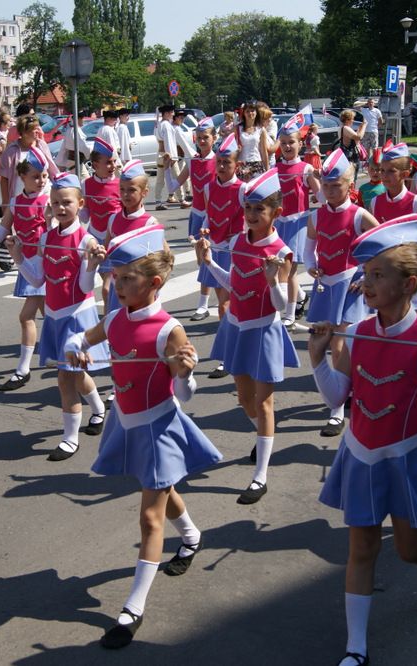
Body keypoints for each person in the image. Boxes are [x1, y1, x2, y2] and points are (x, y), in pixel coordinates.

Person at [309, 217, 417, 666]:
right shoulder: (356, 332)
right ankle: (356, 650)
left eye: (378, 274)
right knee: (362, 549)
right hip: (361, 455)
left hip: (405, 458)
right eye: (365, 274)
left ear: (408, 283)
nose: (366, 283)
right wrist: (318, 359)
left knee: (407, 548)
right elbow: (339, 397)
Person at [64, 226, 222, 650]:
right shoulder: (115, 317)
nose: (116, 285)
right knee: (160, 489)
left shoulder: (169, 330)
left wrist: (184, 372)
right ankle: (191, 535)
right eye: (114, 277)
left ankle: (132, 607)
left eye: (126, 279)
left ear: (153, 283)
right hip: (126, 420)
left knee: (150, 516)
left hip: (159, 427)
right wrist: (76, 347)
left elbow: (185, 393)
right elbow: (81, 337)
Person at [195, 169, 299, 504]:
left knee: (264, 402)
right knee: (243, 398)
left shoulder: (281, 251)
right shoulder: (239, 241)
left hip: (262, 331)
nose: (252, 215)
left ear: (276, 213)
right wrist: (210, 263)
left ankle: (260, 475)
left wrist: (272, 280)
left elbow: (282, 305)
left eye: (260, 209)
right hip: (236, 327)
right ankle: (263, 433)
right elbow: (233, 284)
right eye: (249, 208)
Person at [0, 173, 109, 461]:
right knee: (75, 376)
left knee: (65, 379)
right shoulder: (47, 237)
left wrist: (91, 264)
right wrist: (19, 256)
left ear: (80, 204)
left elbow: (82, 288)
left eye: (66, 202)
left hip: (76, 317)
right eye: (55, 202)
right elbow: (38, 278)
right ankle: (99, 409)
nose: (60, 207)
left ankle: (70, 438)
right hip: (55, 318)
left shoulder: (86, 239)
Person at [304, 149, 378, 437]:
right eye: (326, 185)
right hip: (326, 285)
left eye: (337, 186)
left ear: (350, 185)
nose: (331, 191)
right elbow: (309, 248)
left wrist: (368, 275)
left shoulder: (359, 215)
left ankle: (337, 408)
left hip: (351, 285)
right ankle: (343, 398)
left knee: (341, 344)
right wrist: (312, 266)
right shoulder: (316, 216)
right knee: (328, 340)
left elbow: (382, 248)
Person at [0, 148, 50, 392]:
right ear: (22, 178)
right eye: (35, 177)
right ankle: (62, 356)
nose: (41, 181)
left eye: (43, 176)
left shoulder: (49, 201)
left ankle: (23, 369)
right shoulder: (17, 202)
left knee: (26, 316)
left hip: (44, 265)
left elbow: (54, 236)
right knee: (50, 317)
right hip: (26, 263)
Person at [196, 134, 245, 380]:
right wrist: (205, 228)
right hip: (214, 247)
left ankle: (229, 354)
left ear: (237, 165)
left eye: (228, 162)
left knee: (228, 304)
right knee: (223, 305)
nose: (223, 166)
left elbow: (248, 221)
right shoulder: (208, 187)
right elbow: (208, 214)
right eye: (220, 162)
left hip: (232, 249)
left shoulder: (242, 189)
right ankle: (231, 350)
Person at [275, 122, 321, 328]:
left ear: (300, 144)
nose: (286, 146)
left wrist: (325, 182)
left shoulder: (306, 168)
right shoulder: (275, 168)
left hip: (298, 222)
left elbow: (320, 195)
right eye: (283, 143)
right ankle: (301, 296)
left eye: (291, 142)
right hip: (278, 223)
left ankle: (290, 313)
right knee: (278, 268)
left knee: (290, 269)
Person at [103, 160, 163, 314]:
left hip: (140, 290)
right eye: (122, 189)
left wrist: (152, 290)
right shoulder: (113, 220)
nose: (125, 194)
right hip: (118, 287)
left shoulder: (150, 223)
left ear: (144, 192)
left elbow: (162, 260)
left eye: (131, 190)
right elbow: (107, 250)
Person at [173, 117, 217, 320]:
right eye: (198, 138)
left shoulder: (219, 161)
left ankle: (204, 304)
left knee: (209, 259)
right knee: (202, 261)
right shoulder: (192, 161)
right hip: (197, 214)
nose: (201, 141)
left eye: (205, 137)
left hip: (214, 216)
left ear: (214, 138)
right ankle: (208, 301)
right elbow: (178, 181)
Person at [81, 137, 122, 310]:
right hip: (94, 240)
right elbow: (85, 216)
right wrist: (74, 206)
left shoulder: (121, 184)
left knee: (107, 288)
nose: (113, 166)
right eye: (108, 163)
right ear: (95, 165)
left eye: (113, 161)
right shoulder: (86, 185)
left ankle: (109, 321)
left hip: (113, 241)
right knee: (85, 282)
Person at [369, 143, 417, 227]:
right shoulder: (375, 202)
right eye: (382, 170)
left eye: (391, 171)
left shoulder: (415, 202)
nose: (384, 175)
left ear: (405, 174)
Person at [153, 105, 181, 208]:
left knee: (160, 178)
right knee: (177, 177)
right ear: (166, 113)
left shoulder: (160, 124)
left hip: (161, 154)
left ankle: (158, 200)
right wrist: (172, 157)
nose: (173, 114)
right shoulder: (167, 125)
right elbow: (169, 142)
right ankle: (181, 198)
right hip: (167, 155)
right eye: (171, 112)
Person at [235, 101, 269, 181]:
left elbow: (264, 152)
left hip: (257, 164)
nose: (250, 113)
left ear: (256, 112)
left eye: (252, 111)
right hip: (242, 164)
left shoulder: (261, 129)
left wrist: (267, 170)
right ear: (244, 113)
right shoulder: (237, 129)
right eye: (247, 111)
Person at [338, 110, 365, 181]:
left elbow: (355, 138)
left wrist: (360, 128)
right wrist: (364, 126)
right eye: (352, 118)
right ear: (347, 119)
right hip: (351, 156)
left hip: (347, 154)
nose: (353, 120)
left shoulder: (342, 127)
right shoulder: (346, 128)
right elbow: (359, 137)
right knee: (352, 177)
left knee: (349, 177)